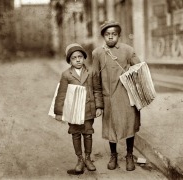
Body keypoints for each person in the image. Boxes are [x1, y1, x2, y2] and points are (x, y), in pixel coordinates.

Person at [92, 21, 142, 171]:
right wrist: (99, 104)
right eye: (107, 35)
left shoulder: (128, 50)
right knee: (111, 128)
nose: (111, 37)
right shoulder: (98, 53)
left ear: (119, 35)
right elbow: (95, 78)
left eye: (114, 34)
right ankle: (113, 155)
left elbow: (139, 69)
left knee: (129, 126)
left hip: (127, 97)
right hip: (109, 99)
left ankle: (129, 155)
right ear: (103, 37)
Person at [54, 43, 103, 173]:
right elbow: (61, 94)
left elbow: (97, 90)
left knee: (87, 134)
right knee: (76, 134)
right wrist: (58, 112)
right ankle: (80, 159)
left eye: (80, 57)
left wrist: (99, 106)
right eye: (74, 58)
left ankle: (88, 158)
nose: (77, 60)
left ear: (84, 58)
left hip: (88, 109)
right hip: (73, 111)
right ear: (70, 60)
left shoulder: (91, 72)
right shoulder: (66, 75)